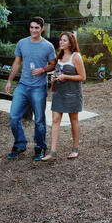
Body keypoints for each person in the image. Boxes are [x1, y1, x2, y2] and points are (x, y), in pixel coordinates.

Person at [5, 17, 56, 160]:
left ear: (42, 29)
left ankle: (40, 147)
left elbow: (53, 64)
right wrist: (9, 81)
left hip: (38, 88)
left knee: (39, 120)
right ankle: (20, 144)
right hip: (22, 86)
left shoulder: (48, 46)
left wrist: (43, 69)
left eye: (36, 28)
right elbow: (16, 63)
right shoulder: (22, 43)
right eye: (31, 27)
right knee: (14, 117)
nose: (33, 30)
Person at [41, 32, 86, 162]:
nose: (61, 42)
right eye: (61, 40)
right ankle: (53, 152)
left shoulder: (76, 57)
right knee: (55, 119)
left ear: (71, 43)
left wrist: (66, 76)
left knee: (74, 119)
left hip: (72, 92)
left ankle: (75, 149)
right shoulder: (59, 56)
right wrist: (54, 75)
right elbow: (58, 71)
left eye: (64, 40)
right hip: (59, 92)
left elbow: (83, 77)